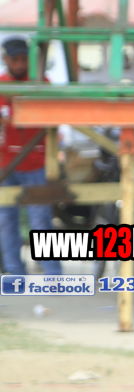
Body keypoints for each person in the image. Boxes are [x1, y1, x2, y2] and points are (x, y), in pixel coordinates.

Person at [0, 37, 63, 277]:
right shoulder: (1, 86)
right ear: (5, 59)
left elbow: (55, 117)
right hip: (6, 164)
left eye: (24, 59)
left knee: (41, 220)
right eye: (14, 59)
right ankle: (15, 273)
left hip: (36, 163)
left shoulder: (41, 84)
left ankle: (53, 274)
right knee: (6, 221)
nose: (19, 64)